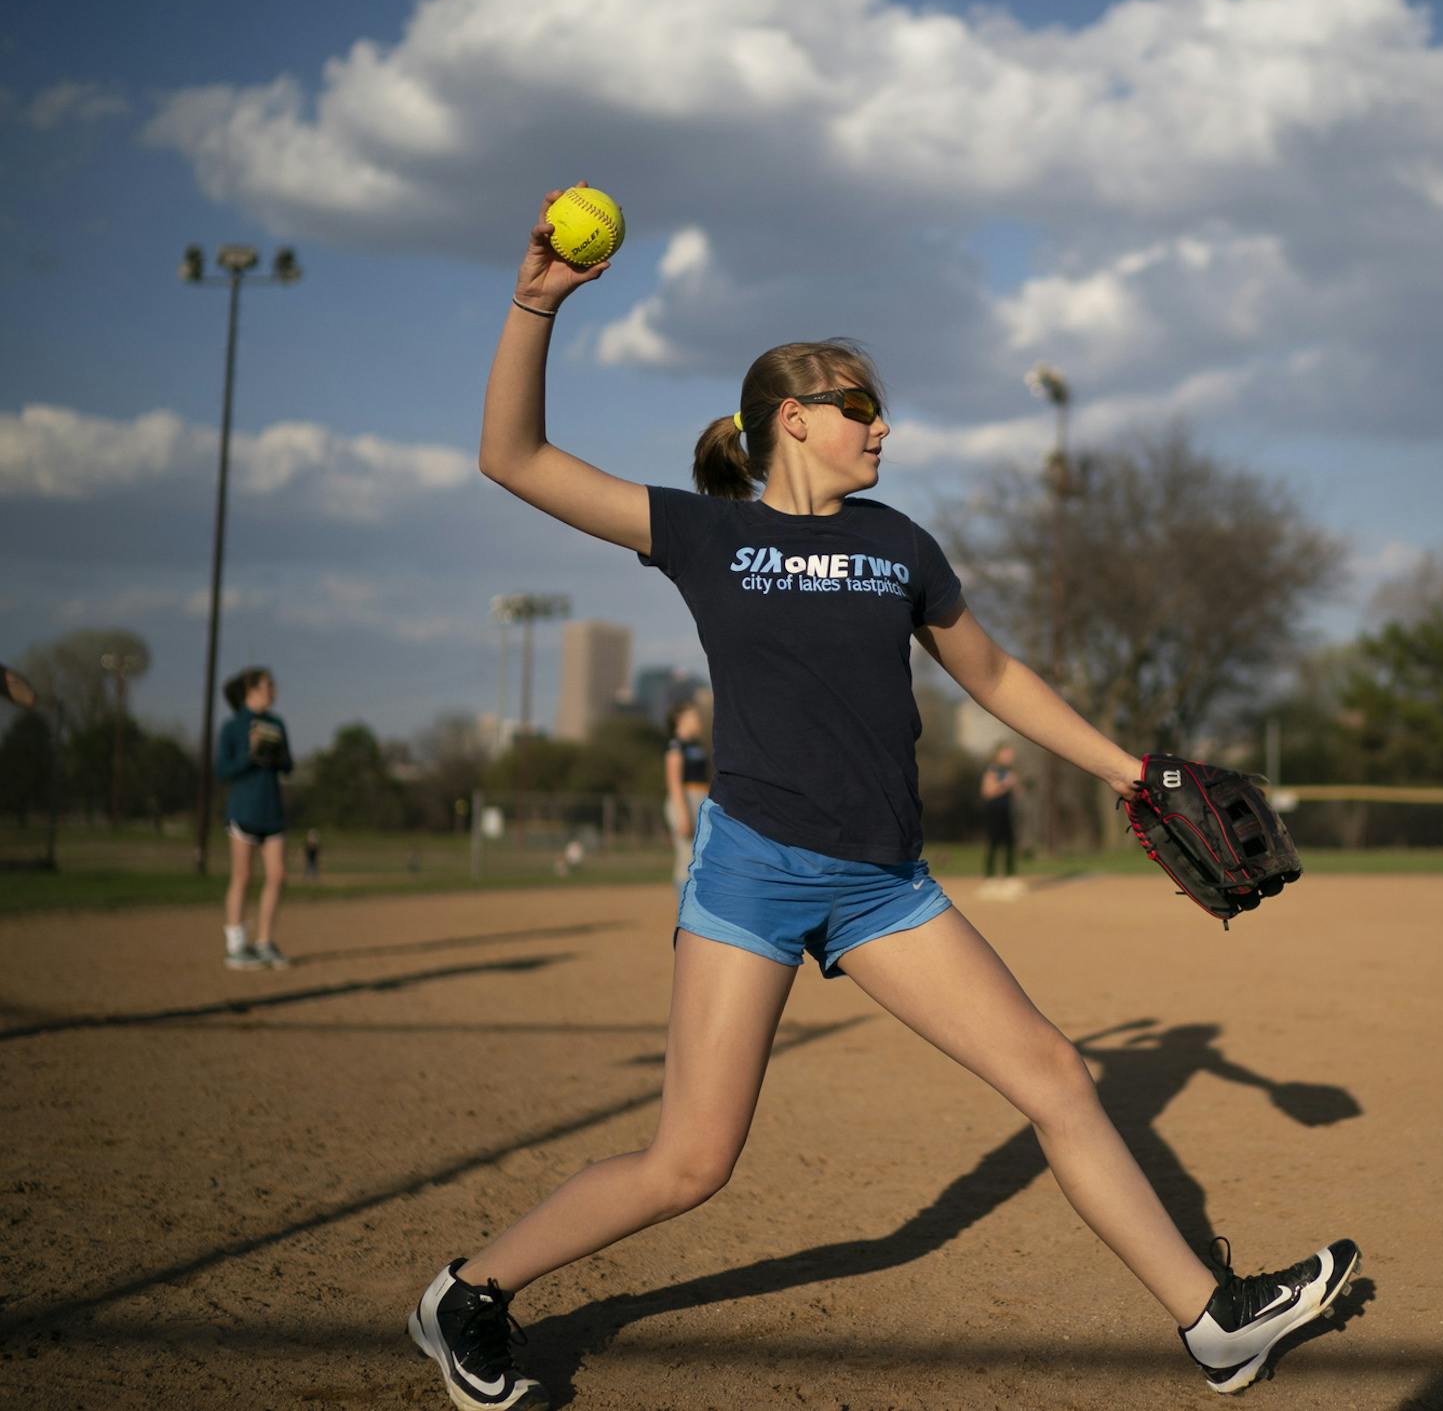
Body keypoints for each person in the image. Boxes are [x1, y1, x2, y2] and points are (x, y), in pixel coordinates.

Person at [405, 187, 1358, 1410]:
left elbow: (997, 671)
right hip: (753, 870)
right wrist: (534, 306)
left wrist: (1133, 767)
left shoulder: (899, 542)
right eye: (860, 408)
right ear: (792, 419)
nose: (882, 429)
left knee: (1059, 1078)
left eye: (882, 410)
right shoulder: (703, 534)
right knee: (692, 1162)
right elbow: (512, 458)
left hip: (884, 883)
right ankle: (469, 1292)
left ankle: (1213, 1322)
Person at [215, 667, 294, 969]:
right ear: (251, 689)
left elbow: (288, 765)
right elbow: (223, 770)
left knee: (277, 876)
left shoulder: (276, 723)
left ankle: (263, 943)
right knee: (243, 875)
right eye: (268, 685)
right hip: (243, 810)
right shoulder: (234, 726)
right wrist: (249, 753)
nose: (274, 690)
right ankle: (236, 946)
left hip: (271, 810)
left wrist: (275, 754)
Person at [662, 699, 710, 882]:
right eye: (693, 716)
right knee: (687, 856)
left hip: (700, 798)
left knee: (701, 855)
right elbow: (674, 781)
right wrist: (682, 813)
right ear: (679, 719)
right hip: (684, 800)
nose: (698, 720)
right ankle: (684, 906)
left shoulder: (697, 745)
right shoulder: (675, 745)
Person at [979, 741, 1020, 879]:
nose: (1010, 757)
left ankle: (1010, 875)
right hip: (994, 810)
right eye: (1007, 754)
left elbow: (1015, 793)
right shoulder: (992, 770)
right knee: (993, 842)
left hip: (1007, 810)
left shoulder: (1010, 771)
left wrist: (1018, 788)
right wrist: (1004, 784)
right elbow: (987, 792)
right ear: (998, 755)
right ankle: (989, 875)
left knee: (1010, 842)